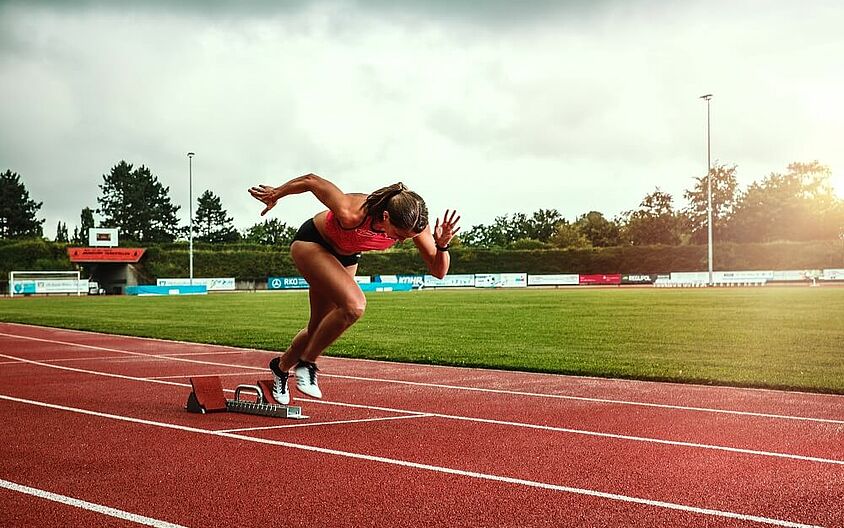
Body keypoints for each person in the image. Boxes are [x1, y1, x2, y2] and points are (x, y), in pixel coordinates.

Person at [248, 174, 460, 404]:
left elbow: (438, 271)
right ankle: (307, 364)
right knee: (354, 305)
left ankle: (280, 367)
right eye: (398, 235)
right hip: (314, 243)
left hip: (347, 256)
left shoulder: (413, 225)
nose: (400, 241)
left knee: (318, 328)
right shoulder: (353, 212)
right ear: (386, 216)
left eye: (406, 238)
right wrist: (275, 193)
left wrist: (442, 245)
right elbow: (311, 181)